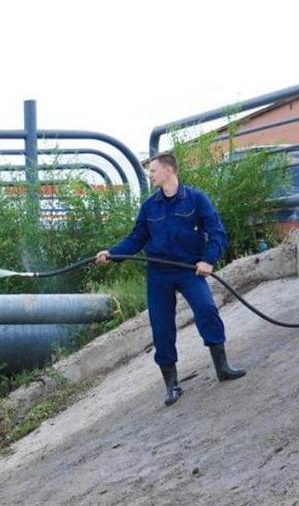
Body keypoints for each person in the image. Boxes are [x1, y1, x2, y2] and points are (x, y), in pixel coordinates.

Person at [95, 152, 245, 407]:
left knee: (206, 309)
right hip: (158, 274)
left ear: (169, 171)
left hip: (189, 270)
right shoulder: (150, 206)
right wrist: (112, 253)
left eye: (153, 170)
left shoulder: (196, 199)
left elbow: (217, 233)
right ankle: (171, 385)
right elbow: (137, 238)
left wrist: (208, 260)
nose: (150, 175)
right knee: (162, 328)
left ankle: (222, 367)